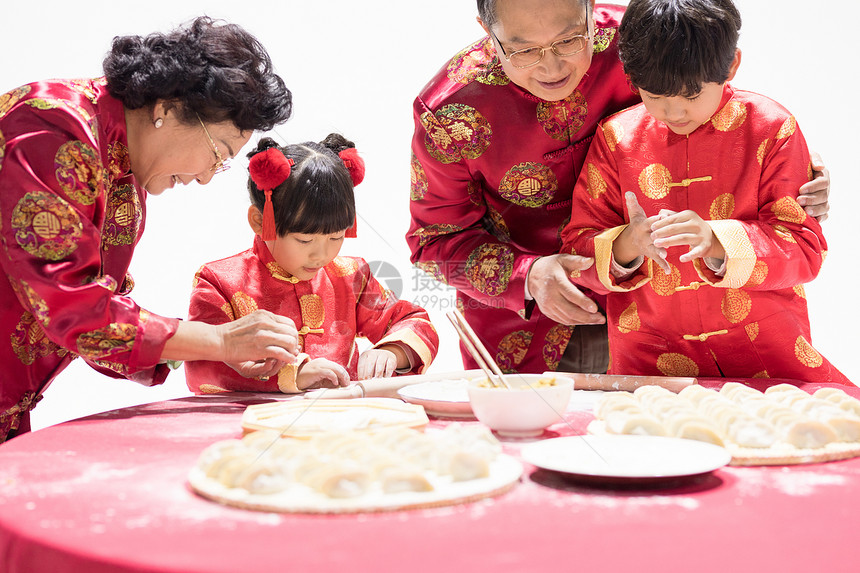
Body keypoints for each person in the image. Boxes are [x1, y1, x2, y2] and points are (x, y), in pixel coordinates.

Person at [406, 0, 832, 375]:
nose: (552, 67)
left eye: (571, 40)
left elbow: (718, 102)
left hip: (665, 315)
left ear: (591, 10)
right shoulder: (450, 112)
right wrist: (529, 275)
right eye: (524, 50)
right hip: (527, 329)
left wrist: (796, 173)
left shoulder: (638, 39)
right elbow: (432, 243)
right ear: (487, 32)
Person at [0, 17, 299, 441]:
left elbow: (102, 318)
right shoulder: (51, 126)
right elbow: (73, 307)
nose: (206, 178)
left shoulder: (127, 176)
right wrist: (218, 342)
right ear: (167, 108)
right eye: (218, 154)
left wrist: (211, 350)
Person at [560, 0, 850, 384]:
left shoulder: (772, 128)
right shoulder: (617, 138)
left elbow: (804, 249)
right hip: (648, 362)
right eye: (654, 96)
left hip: (766, 354)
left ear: (731, 66)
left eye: (691, 95)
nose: (673, 112)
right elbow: (575, 249)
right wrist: (627, 245)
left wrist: (718, 240)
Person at [185, 136, 440, 394]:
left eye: (336, 237)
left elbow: (411, 320)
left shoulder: (350, 276)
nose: (321, 255)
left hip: (344, 423)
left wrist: (392, 352)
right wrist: (292, 374)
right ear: (260, 221)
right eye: (305, 239)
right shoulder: (218, 281)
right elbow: (203, 364)